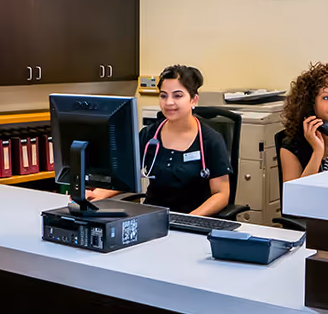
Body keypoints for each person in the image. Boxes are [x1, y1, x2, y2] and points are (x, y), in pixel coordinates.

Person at [87, 65, 232, 215]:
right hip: (152, 217)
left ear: (194, 100)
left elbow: (221, 195)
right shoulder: (149, 135)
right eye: (163, 95)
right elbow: (124, 176)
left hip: (193, 220)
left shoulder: (211, 140)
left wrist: (190, 218)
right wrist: (98, 194)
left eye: (177, 95)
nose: (168, 102)